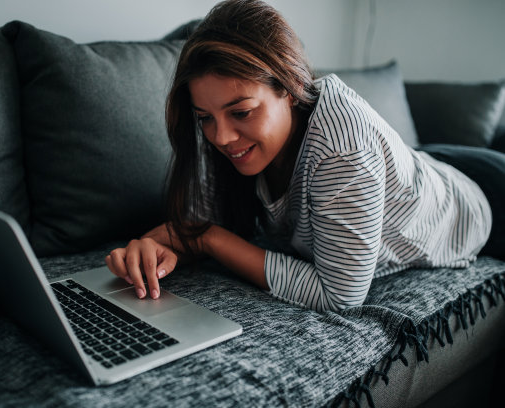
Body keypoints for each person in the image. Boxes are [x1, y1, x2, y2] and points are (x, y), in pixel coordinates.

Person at [105, 0, 495, 312]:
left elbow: (339, 297)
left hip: (468, 204)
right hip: (407, 168)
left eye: (241, 112)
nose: (221, 137)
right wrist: (159, 243)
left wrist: (207, 239)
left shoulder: (342, 146)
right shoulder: (226, 137)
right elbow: (197, 220)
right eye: (205, 117)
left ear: (291, 90)